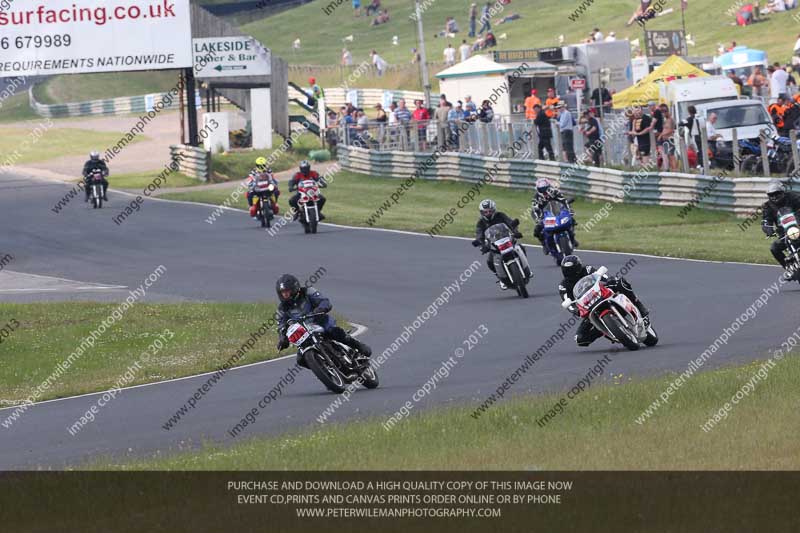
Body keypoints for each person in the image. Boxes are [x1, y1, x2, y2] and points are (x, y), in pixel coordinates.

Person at [275, 274, 371, 369]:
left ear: (294, 288)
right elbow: (281, 325)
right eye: (282, 292)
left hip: (320, 322)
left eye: (287, 291)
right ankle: (322, 368)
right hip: (304, 333)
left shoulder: (307, 291)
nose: (285, 294)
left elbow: (324, 301)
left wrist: (320, 309)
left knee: (335, 332)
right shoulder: (282, 308)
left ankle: (357, 345)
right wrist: (282, 338)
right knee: (300, 360)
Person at [559, 255, 650, 347]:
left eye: (572, 269)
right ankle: (607, 330)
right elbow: (567, 300)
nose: (570, 272)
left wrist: (608, 280)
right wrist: (575, 310)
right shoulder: (563, 285)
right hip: (589, 306)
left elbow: (601, 275)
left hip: (602, 294)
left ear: (578, 266)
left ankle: (640, 307)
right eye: (567, 270)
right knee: (580, 339)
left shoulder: (587, 269)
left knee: (620, 282)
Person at [471, 199, 522, 290]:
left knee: (521, 248)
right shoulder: (481, 223)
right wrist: (481, 245)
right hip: (494, 245)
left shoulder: (500, 215)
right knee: (490, 262)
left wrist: (515, 231)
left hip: (507, 240)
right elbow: (479, 235)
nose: (488, 213)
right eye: (485, 212)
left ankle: (525, 268)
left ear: (494, 210)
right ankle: (501, 279)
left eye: (490, 211)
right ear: (482, 212)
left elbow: (510, 223)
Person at [762, 180, 800, 271]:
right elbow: (766, 221)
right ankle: (788, 268)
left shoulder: (793, 197)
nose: (774, 196)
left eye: (777, 193)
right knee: (774, 248)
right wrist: (768, 229)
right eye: (771, 195)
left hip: (798, 227)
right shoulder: (767, 206)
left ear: (783, 192)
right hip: (784, 234)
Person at [531, 178, 577, 254]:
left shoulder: (555, 192)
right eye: (541, 190)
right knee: (537, 230)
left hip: (557, 211)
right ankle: (544, 244)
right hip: (545, 215)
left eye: (545, 189)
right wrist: (539, 219)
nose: (544, 191)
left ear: (549, 187)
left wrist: (569, 210)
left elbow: (564, 201)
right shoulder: (536, 199)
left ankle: (572, 237)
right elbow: (535, 210)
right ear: (538, 190)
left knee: (572, 220)